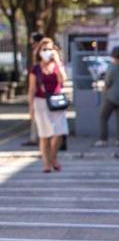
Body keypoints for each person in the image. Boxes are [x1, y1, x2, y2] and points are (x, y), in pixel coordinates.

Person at [27, 38, 67, 172]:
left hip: (56, 102)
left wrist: (57, 62)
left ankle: (53, 157)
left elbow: (64, 80)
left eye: (50, 49)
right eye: (44, 49)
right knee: (44, 135)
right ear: (39, 52)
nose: (47, 52)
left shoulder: (57, 65)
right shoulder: (36, 69)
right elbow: (32, 89)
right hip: (41, 102)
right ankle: (47, 163)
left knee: (59, 133)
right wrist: (31, 107)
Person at [95, 46, 119, 147]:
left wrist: (104, 90)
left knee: (103, 117)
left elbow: (108, 81)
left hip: (111, 96)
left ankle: (103, 139)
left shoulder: (112, 66)